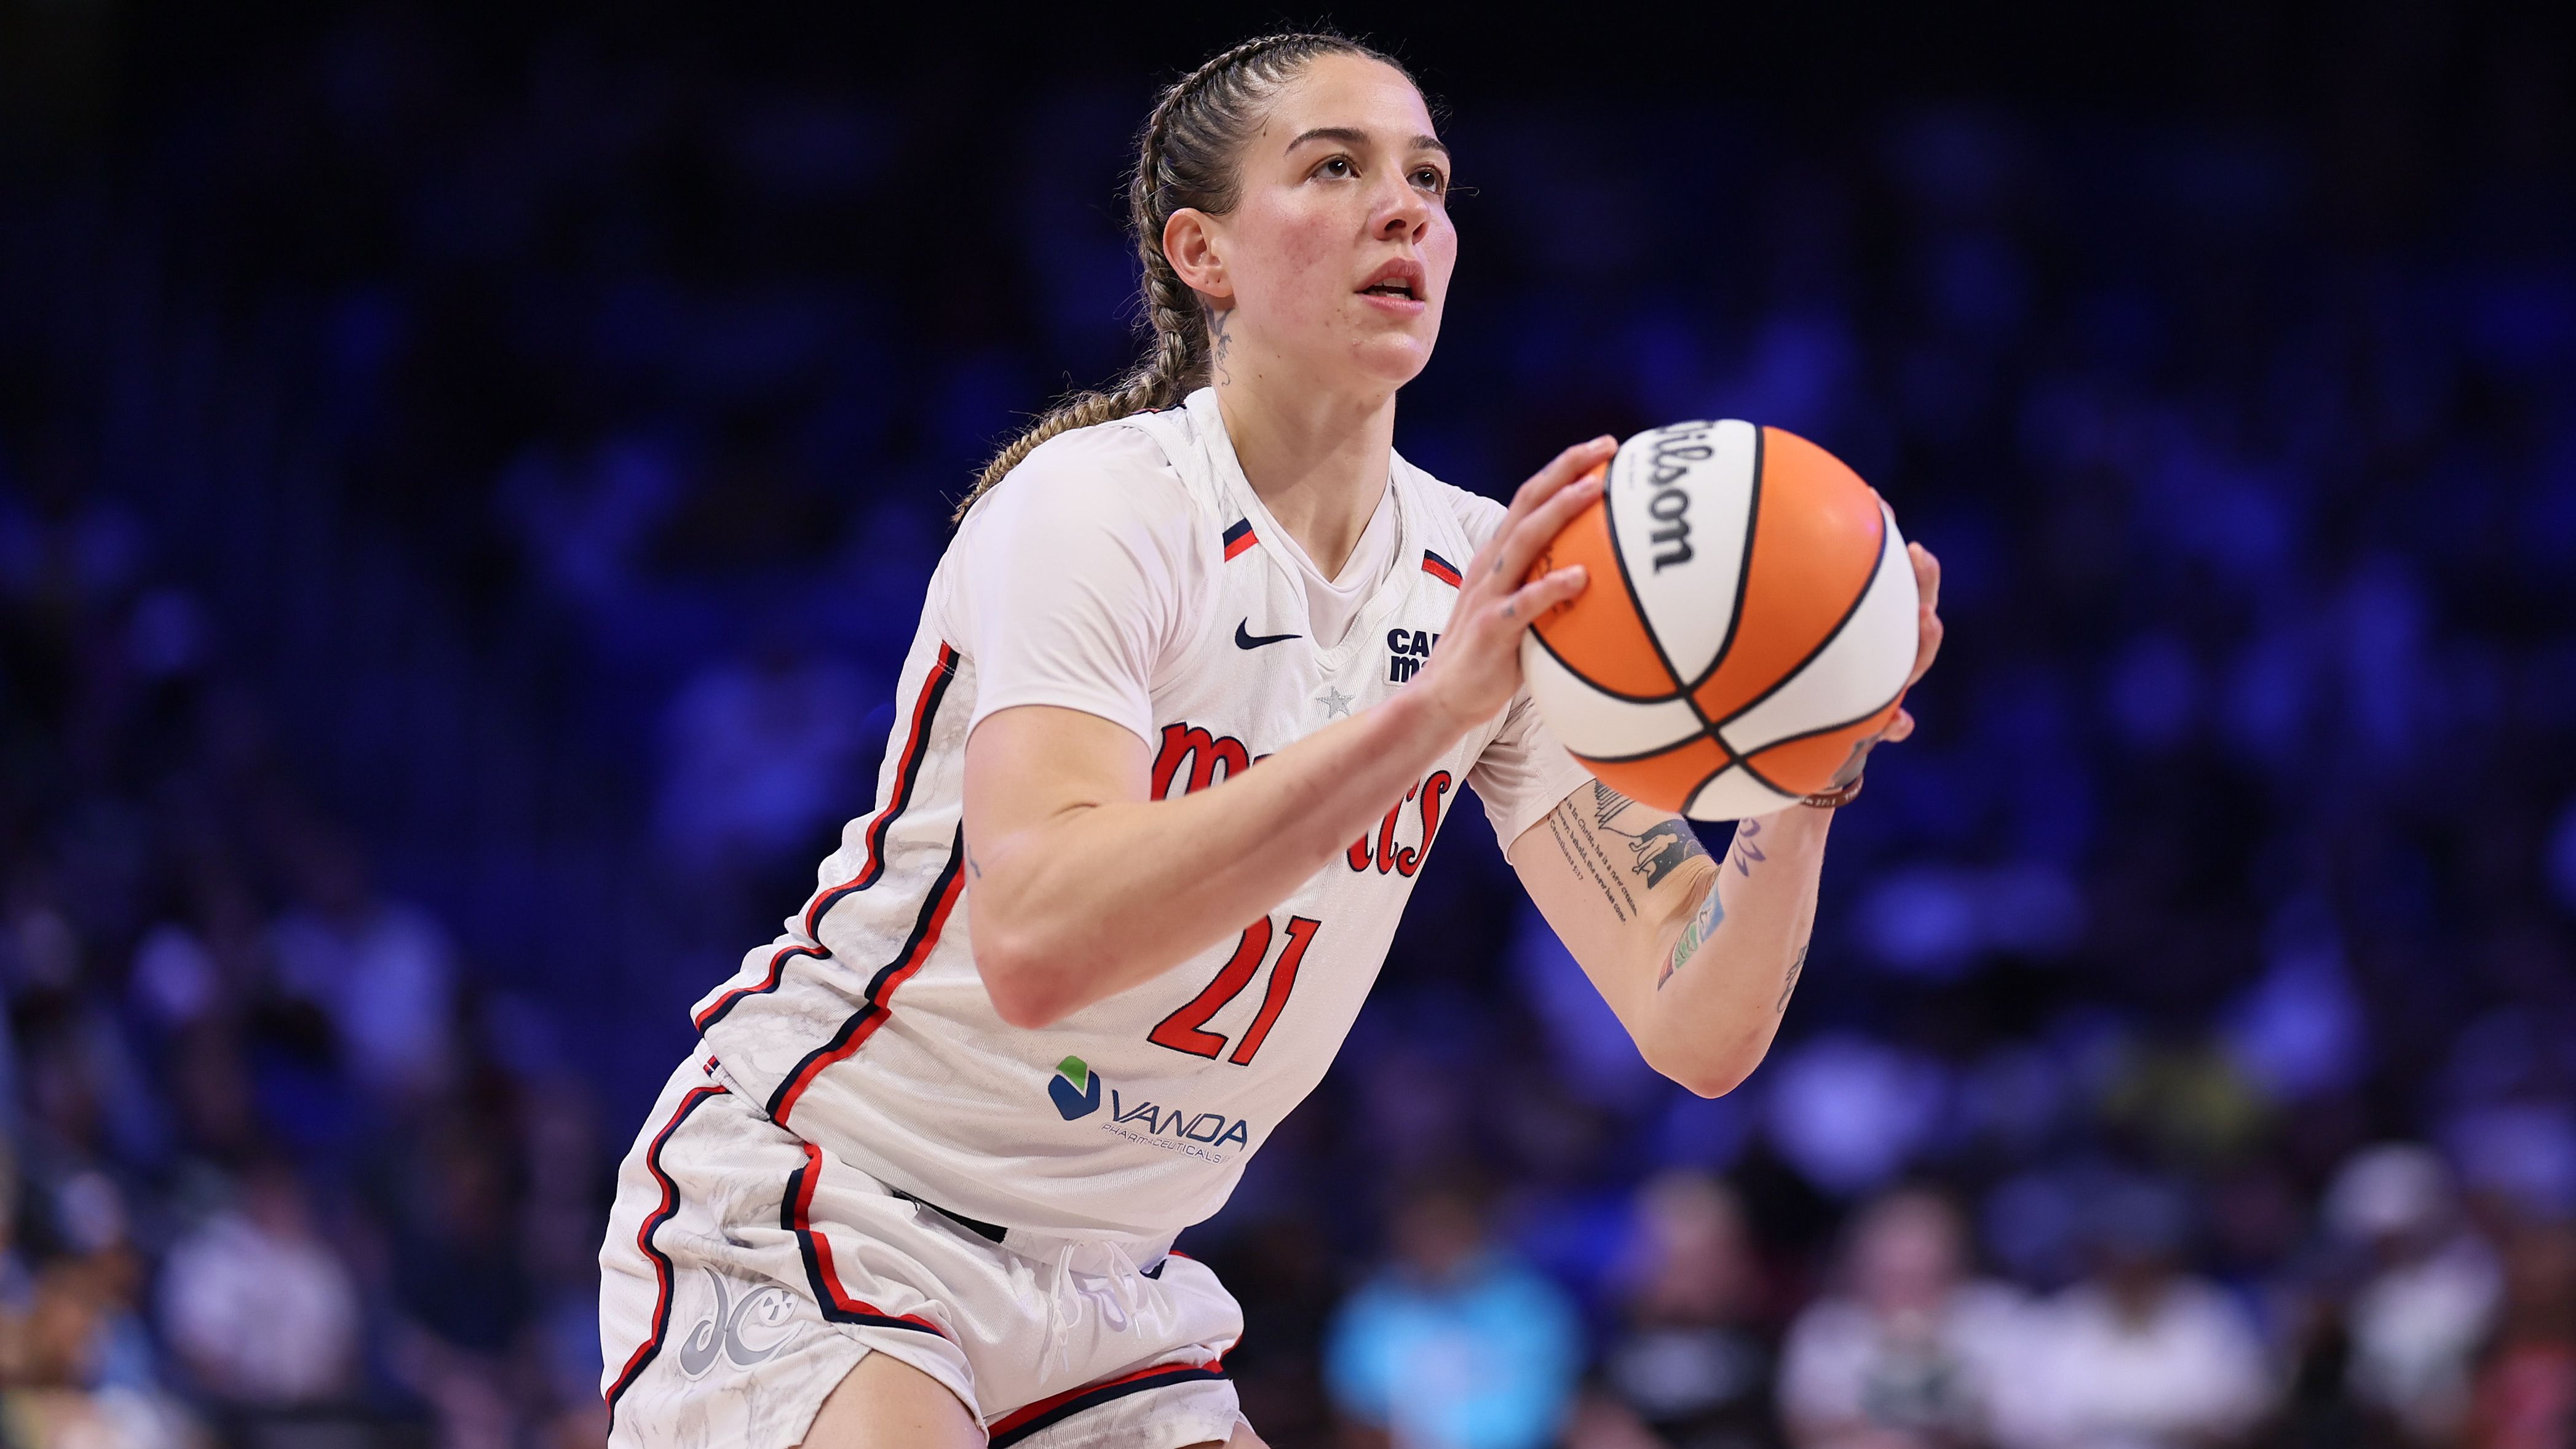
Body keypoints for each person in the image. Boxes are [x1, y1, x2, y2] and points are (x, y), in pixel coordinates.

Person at [596, 30, 1946, 1449]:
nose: (1405, 206)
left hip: (1112, 1277)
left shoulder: (1485, 573)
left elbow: (1696, 1019)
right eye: (1335, 167)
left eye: (1426, 176)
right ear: (1204, 252)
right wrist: (1424, 716)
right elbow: (1043, 940)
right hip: (836, 1191)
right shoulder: (1099, 509)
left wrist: (1804, 777)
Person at [1777, 1188, 2024, 1449]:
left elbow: (2020, 1421)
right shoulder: (1828, 1328)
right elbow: (1804, 1425)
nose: (1905, 1295)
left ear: (1954, 1268)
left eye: (1923, 1277)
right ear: (1860, 1270)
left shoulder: (1991, 1317)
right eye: (1890, 1277)